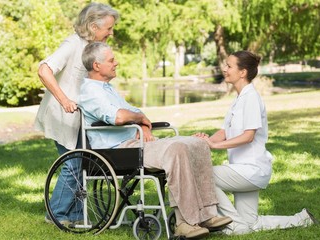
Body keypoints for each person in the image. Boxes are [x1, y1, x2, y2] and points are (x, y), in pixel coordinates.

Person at [78, 42, 232, 239]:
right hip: (118, 150)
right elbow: (119, 117)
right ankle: (185, 222)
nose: (116, 63)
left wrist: (141, 122)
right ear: (97, 66)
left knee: (199, 143)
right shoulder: (90, 92)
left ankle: (207, 214)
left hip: (137, 142)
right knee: (177, 148)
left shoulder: (107, 88)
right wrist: (139, 119)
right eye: (111, 60)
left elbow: (133, 112)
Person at [195, 50, 320, 235]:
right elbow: (225, 131)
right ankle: (302, 219)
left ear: (242, 72)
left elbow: (248, 136)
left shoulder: (251, 98)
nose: (224, 69)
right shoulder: (239, 99)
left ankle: (230, 222)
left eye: (229, 66)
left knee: (203, 175)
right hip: (242, 169)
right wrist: (204, 142)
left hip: (251, 170)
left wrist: (214, 146)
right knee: (250, 223)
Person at [34, 3, 119, 225]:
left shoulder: (92, 48)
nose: (111, 32)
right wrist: (64, 100)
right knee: (73, 162)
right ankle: (57, 214)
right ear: (93, 26)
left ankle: (73, 214)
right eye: (108, 28)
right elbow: (44, 69)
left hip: (80, 117)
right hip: (62, 114)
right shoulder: (73, 44)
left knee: (81, 162)